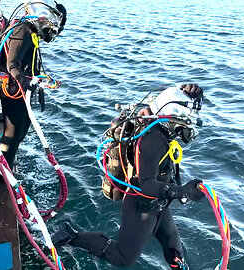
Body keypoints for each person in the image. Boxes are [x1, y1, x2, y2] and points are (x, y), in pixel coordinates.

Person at [52, 84, 206, 269]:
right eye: (187, 118)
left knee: (174, 250)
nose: (190, 122)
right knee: (123, 258)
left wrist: (193, 91)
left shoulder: (161, 131)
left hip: (159, 204)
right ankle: (69, 236)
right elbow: (146, 183)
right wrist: (180, 191)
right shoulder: (153, 140)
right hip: (140, 206)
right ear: (172, 114)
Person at [0, 0, 66, 168]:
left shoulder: (31, 31)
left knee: (21, 130)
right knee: (12, 133)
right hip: (13, 89)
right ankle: (2, 174)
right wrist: (25, 83)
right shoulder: (23, 31)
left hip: (21, 88)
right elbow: (12, 65)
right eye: (54, 24)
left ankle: (9, 162)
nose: (54, 29)